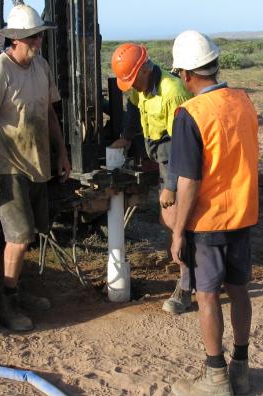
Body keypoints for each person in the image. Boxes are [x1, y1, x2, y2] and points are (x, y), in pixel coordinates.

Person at [169, 30, 259, 396]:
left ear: (187, 74)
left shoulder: (191, 114)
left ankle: (216, 377)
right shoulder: (243, 101)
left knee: (207, 296)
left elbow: (187, 182)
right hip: (243, 215)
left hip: (207, 222)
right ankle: (241, 368)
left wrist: (177, 232)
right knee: (239, 292)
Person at [0, 4, 71, 332]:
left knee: (31, 235)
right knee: (18, 237)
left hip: (36, 163)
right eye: (32, 38)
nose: (38, 42)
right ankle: (7, 301)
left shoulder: (40, 67)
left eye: (40, 36)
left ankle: (17, 290)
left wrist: (61, 154)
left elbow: (50, 113)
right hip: (7, 164)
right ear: (15, 39)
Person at [110, 43, 193, 314]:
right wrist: (126, 136)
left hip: (175, 159)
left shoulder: (173, 91)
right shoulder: (140, 88)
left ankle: (187, 287)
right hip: (158, 155)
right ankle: (191, 271)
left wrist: (170, 186)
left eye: (133, 80)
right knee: (168, 220)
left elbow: (183, 147)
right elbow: (134, 109)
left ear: (145, 67)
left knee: (179, 220)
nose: (131, 86)